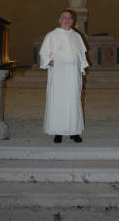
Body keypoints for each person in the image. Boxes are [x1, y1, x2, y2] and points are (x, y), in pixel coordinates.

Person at [40, 9, 89, 143]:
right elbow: (44, 53)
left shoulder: (76, 36)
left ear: (72, 21)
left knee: (74, 100)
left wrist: (81, 68)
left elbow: (81, 55)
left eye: (69, 18)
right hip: (58, 75)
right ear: (59, 20)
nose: (67, 20)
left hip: (73, 75)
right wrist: (49, 61)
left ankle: (74, 132)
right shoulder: (52, 35)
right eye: (64, 18)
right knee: (58, 101)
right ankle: (58, 132)